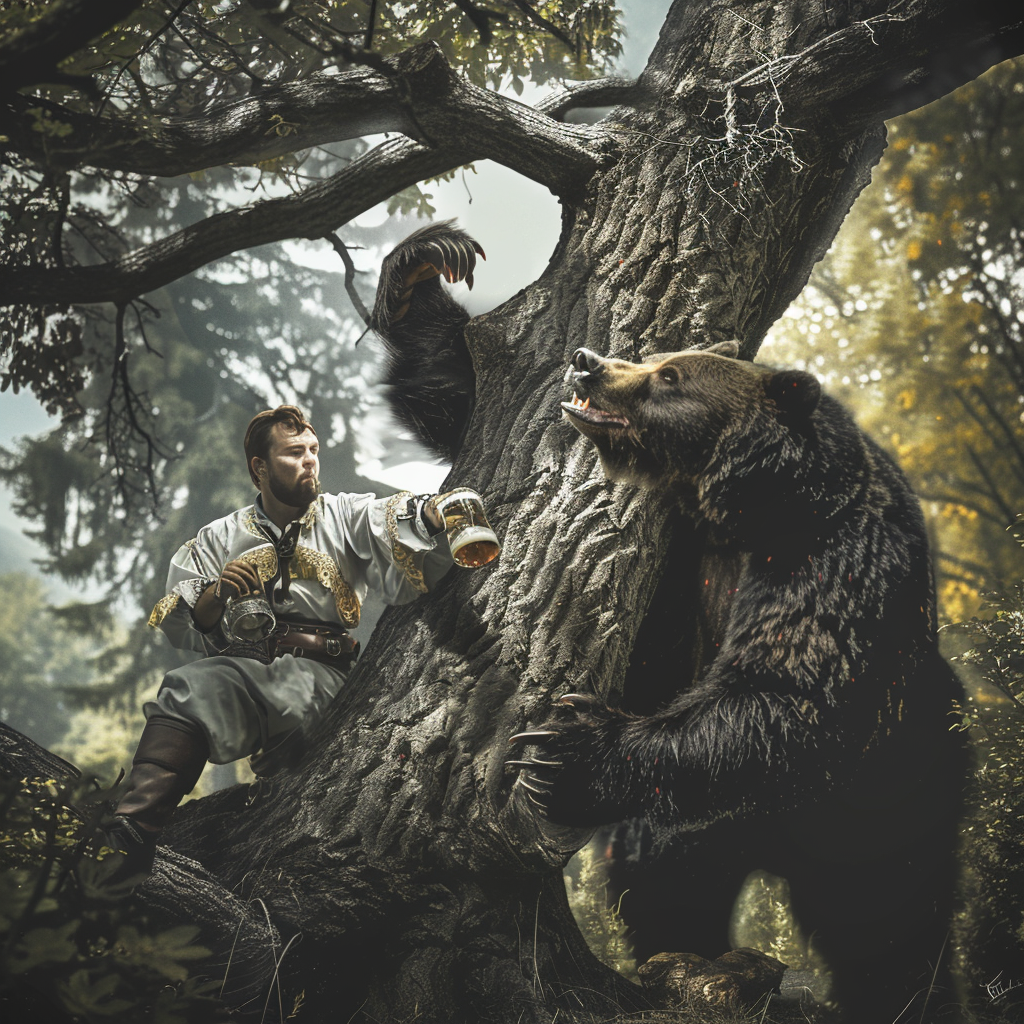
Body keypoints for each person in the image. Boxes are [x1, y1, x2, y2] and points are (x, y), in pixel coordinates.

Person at [107, 404, 455, 874]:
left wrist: (429, 513)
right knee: (185, 689)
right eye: (294, 452)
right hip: (251, 673)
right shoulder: (221, 536)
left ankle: (291, 745)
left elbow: (389, 518)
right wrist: (218, 591)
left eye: (313, 450)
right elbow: (184, 616)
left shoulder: (343, 514)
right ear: (260, 467)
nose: (310, 460)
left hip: (324, 675)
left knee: (260, 702)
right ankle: (127, 838)